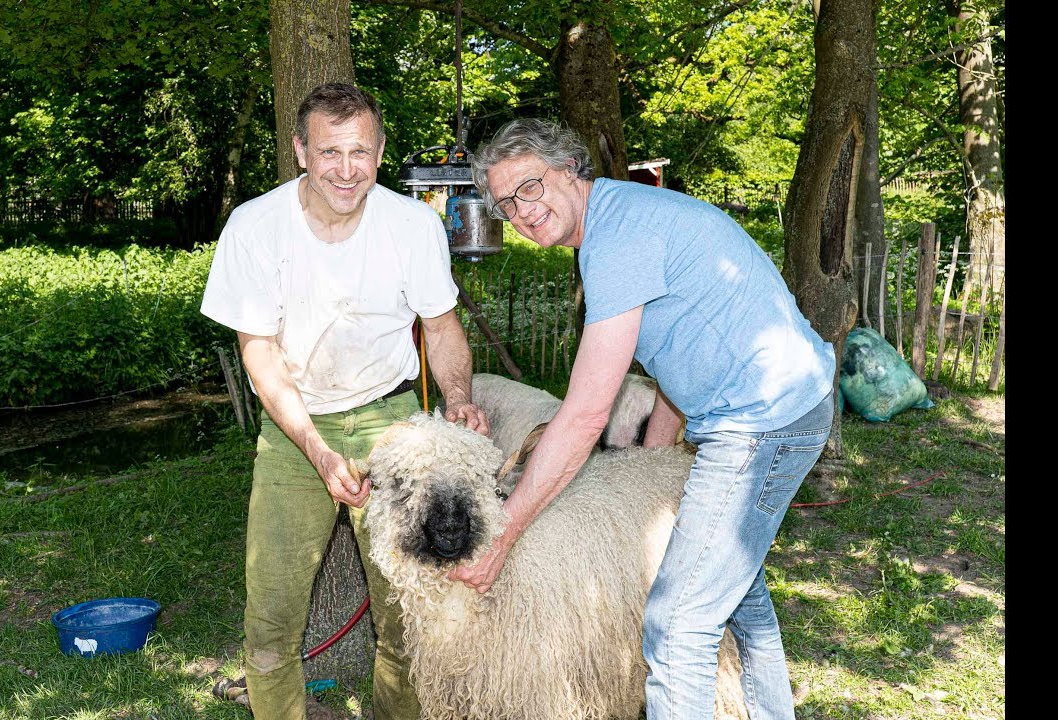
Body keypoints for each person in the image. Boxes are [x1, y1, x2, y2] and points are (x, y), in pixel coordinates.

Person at [451, 117, 834, 720]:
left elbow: (583, 416)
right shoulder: (624, 215)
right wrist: (653, 467)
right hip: (776, 401)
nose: (520, 211)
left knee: (678, 623)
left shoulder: (616, 240)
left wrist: (503, 534)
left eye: (531, 186)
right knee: (738, 599)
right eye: (504, 203)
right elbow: (676, 354)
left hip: (763, 420)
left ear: (570, 169)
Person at [200, 82, 489, 720]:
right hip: (292, 428)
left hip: (393, 421)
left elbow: (440, 327)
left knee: (409, 616)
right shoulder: (254, 226)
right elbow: (261, 353)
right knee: (271, 619)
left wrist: (460, 397)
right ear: (301, 151)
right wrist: (315, 448)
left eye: (360, 152)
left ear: (381, 153)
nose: (346, 169)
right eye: (330, 152)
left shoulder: (413, 224)